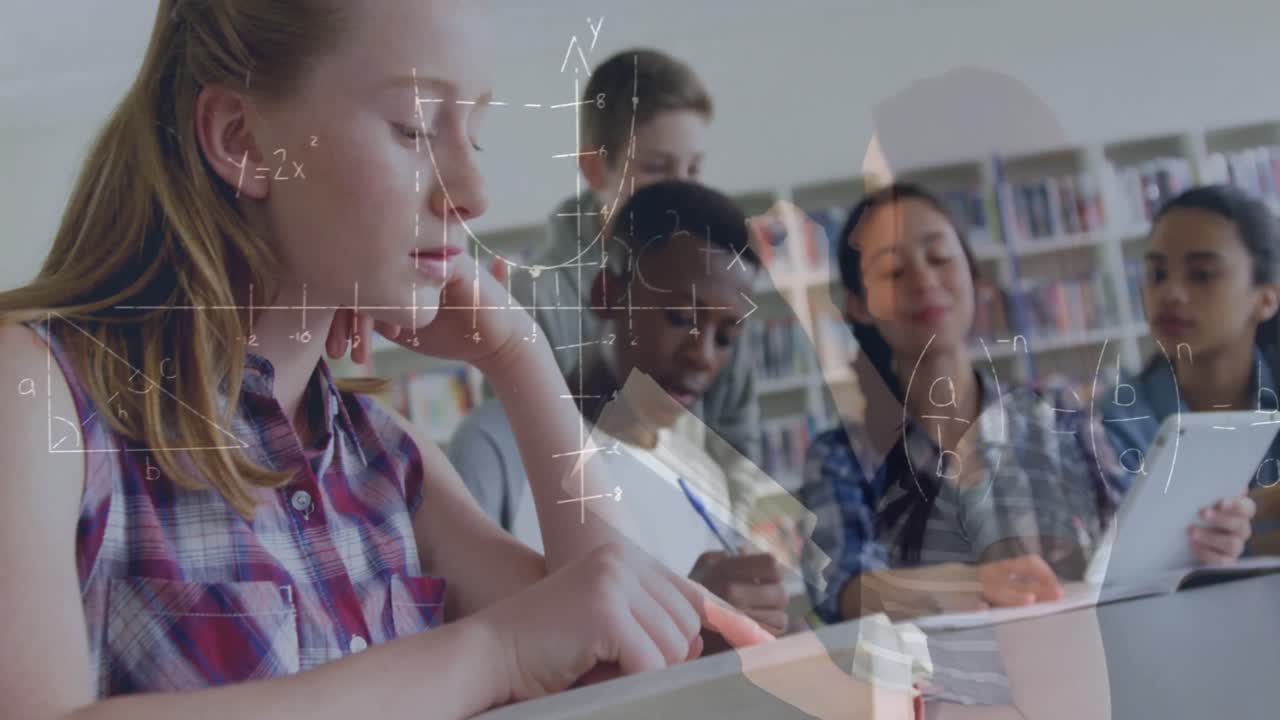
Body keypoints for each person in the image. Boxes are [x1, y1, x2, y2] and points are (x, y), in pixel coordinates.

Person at [0, 3, 774, 718]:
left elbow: (629, 646)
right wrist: (491, 650)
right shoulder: (36, 393)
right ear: (241, 141)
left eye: (470, 135)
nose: (472, 191)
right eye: (414, 128)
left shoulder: (389, 457)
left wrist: (519, 352)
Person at [452, 181, 796, 638]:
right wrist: (681, 623)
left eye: (727, 336)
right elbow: (469, 647)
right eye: (680, 316)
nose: (704, 355)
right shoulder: (497, 447)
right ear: (608, 294)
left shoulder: (701, 477)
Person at [507, 48, 762, 508]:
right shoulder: (536, 293)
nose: (681, 187)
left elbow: (738, 443)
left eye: (694, 168)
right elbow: (523, 453)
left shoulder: (719, 279)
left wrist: (729, 539)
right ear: (592, 167)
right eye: (656, 168)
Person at [1101, 184, 1274, 559]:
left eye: (1201, 274)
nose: (1171, 293)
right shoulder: (1112, 424)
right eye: (1157, 274)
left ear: (1265, 299)